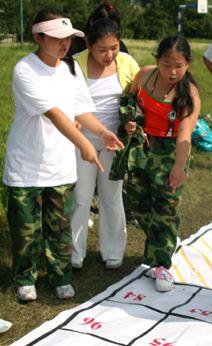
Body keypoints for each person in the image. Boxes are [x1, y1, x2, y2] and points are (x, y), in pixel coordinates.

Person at [3, 8, 123, 302]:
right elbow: (55, 115)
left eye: (68, 38)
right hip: (26, 165)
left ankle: (60, 276)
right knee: (25, 230)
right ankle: (25, 278)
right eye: (57, 38)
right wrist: (83, 142)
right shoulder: (25, 69)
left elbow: (81, 110)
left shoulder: (71, 68)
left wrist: (103, 132)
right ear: (38, 37)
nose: (64, 44)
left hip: (60, 165)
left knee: (59, 228)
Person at [124, 36, 200, 292]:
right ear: (157, 60)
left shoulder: (189, 94)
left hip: (171, 151)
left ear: (188, 64)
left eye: (179, 65)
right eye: (167, 65)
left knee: (165, 207)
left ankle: (161, 265)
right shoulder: (145, 75)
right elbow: (128, 100)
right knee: (139, 202)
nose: (173, 72)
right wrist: (129, 120)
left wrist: (179, 167)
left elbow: (185, 134)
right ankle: (164, 240)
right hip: (142, 146)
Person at [71, 18, 140, 270]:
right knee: (81, 196)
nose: (109, 54)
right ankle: (74, 253)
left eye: (114, 47)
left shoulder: (128, 63)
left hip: (114, 141)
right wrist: (73, 120)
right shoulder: (74, 64)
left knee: (112, 196)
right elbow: (65, 99)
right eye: (101, 49)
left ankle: (112, 251)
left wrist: (132, 121)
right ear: (88, 45)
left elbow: (136, 99)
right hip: (82, 140)